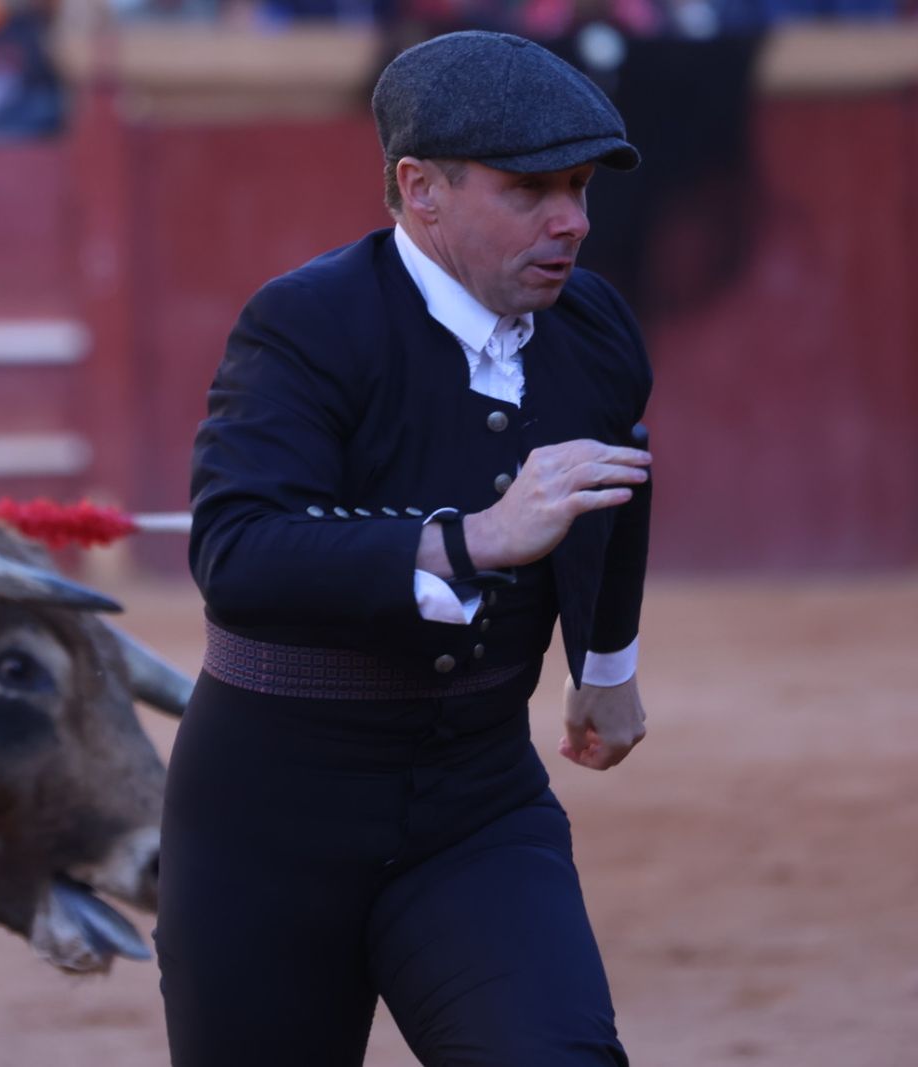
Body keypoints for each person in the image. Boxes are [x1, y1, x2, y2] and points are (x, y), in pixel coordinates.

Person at [157, 31, 654, 1067]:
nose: (571, 220)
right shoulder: (306, 324)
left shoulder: (594, 327)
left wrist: (606, 665)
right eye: (531, 190)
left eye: (578, 187)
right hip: (271, 814)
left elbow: (613, 484)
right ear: (419, 188)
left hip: (476, 798)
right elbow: (239, 551)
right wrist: (471, 540)